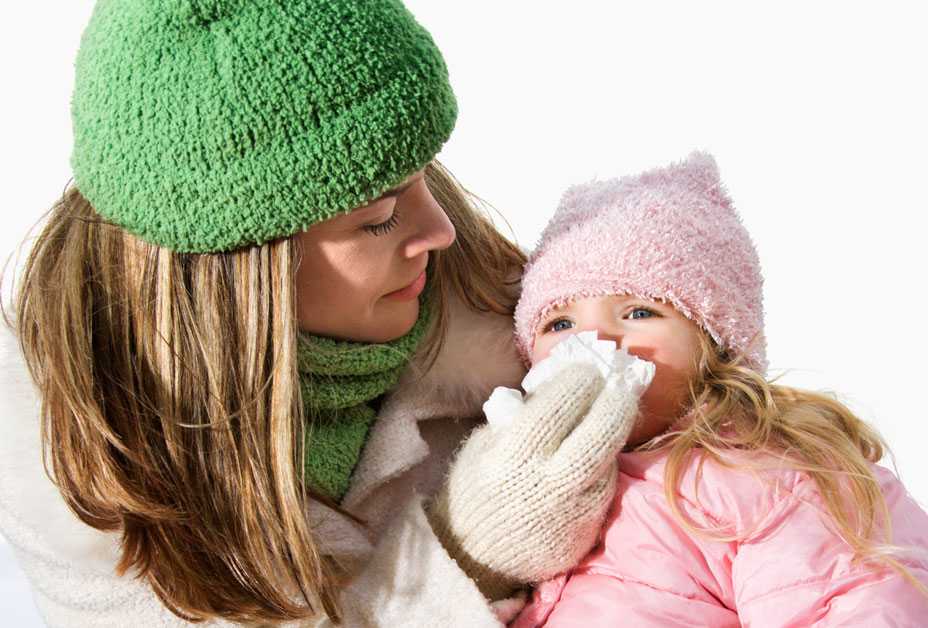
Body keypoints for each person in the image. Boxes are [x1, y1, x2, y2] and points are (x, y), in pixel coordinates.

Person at [0, 1, 630, 626]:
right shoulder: (76, 472)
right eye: (378, 218)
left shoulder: (514, 307)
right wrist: (467, 558)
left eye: (425, 176)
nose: (440, 230)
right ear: (246, 271)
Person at [439, 151, 928, 626]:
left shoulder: (766, 476)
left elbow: (851, 600)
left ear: (717, 342)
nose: (596, 340)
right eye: (560, 323)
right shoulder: (540, 482)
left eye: (638, 313)